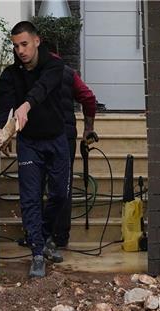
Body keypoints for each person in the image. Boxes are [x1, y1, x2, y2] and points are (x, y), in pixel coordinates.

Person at [0, 21, 68, 278]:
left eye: (24, 44)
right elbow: (4, 110)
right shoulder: (10, 76)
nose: (20, 50)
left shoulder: (55, 66)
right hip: (29, 144)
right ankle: (37, 252)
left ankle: (44, 236)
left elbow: (42, 88)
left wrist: (26, 106)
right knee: (30, 197)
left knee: (59, 194)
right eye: (15, 46)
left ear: (37, 41)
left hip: (57, 139)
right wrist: (0, 132)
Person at [48, 49, 98, 249]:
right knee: (63, 184)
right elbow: (88, 97)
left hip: (41, 136)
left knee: (38, 185)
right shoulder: (68, 72)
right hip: (65, 135)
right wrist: (88, 129)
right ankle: (60, 236)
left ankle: (38, 234)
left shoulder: (35, 70)